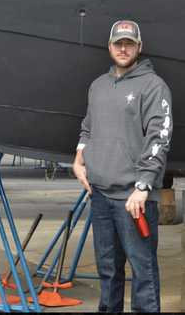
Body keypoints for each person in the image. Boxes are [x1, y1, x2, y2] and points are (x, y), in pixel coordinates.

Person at [73, 19, 172, 312]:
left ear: (139, 47)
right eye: (119, 43)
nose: (124, 48)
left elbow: (160, 137)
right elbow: (88, 128)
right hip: (100, 196)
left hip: (133, 199)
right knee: (108, 271)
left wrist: (143, 186)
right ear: (110, 47)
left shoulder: (154, 86)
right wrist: (79, 158)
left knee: (143, 274)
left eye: (129, 43)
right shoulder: (98, 86)